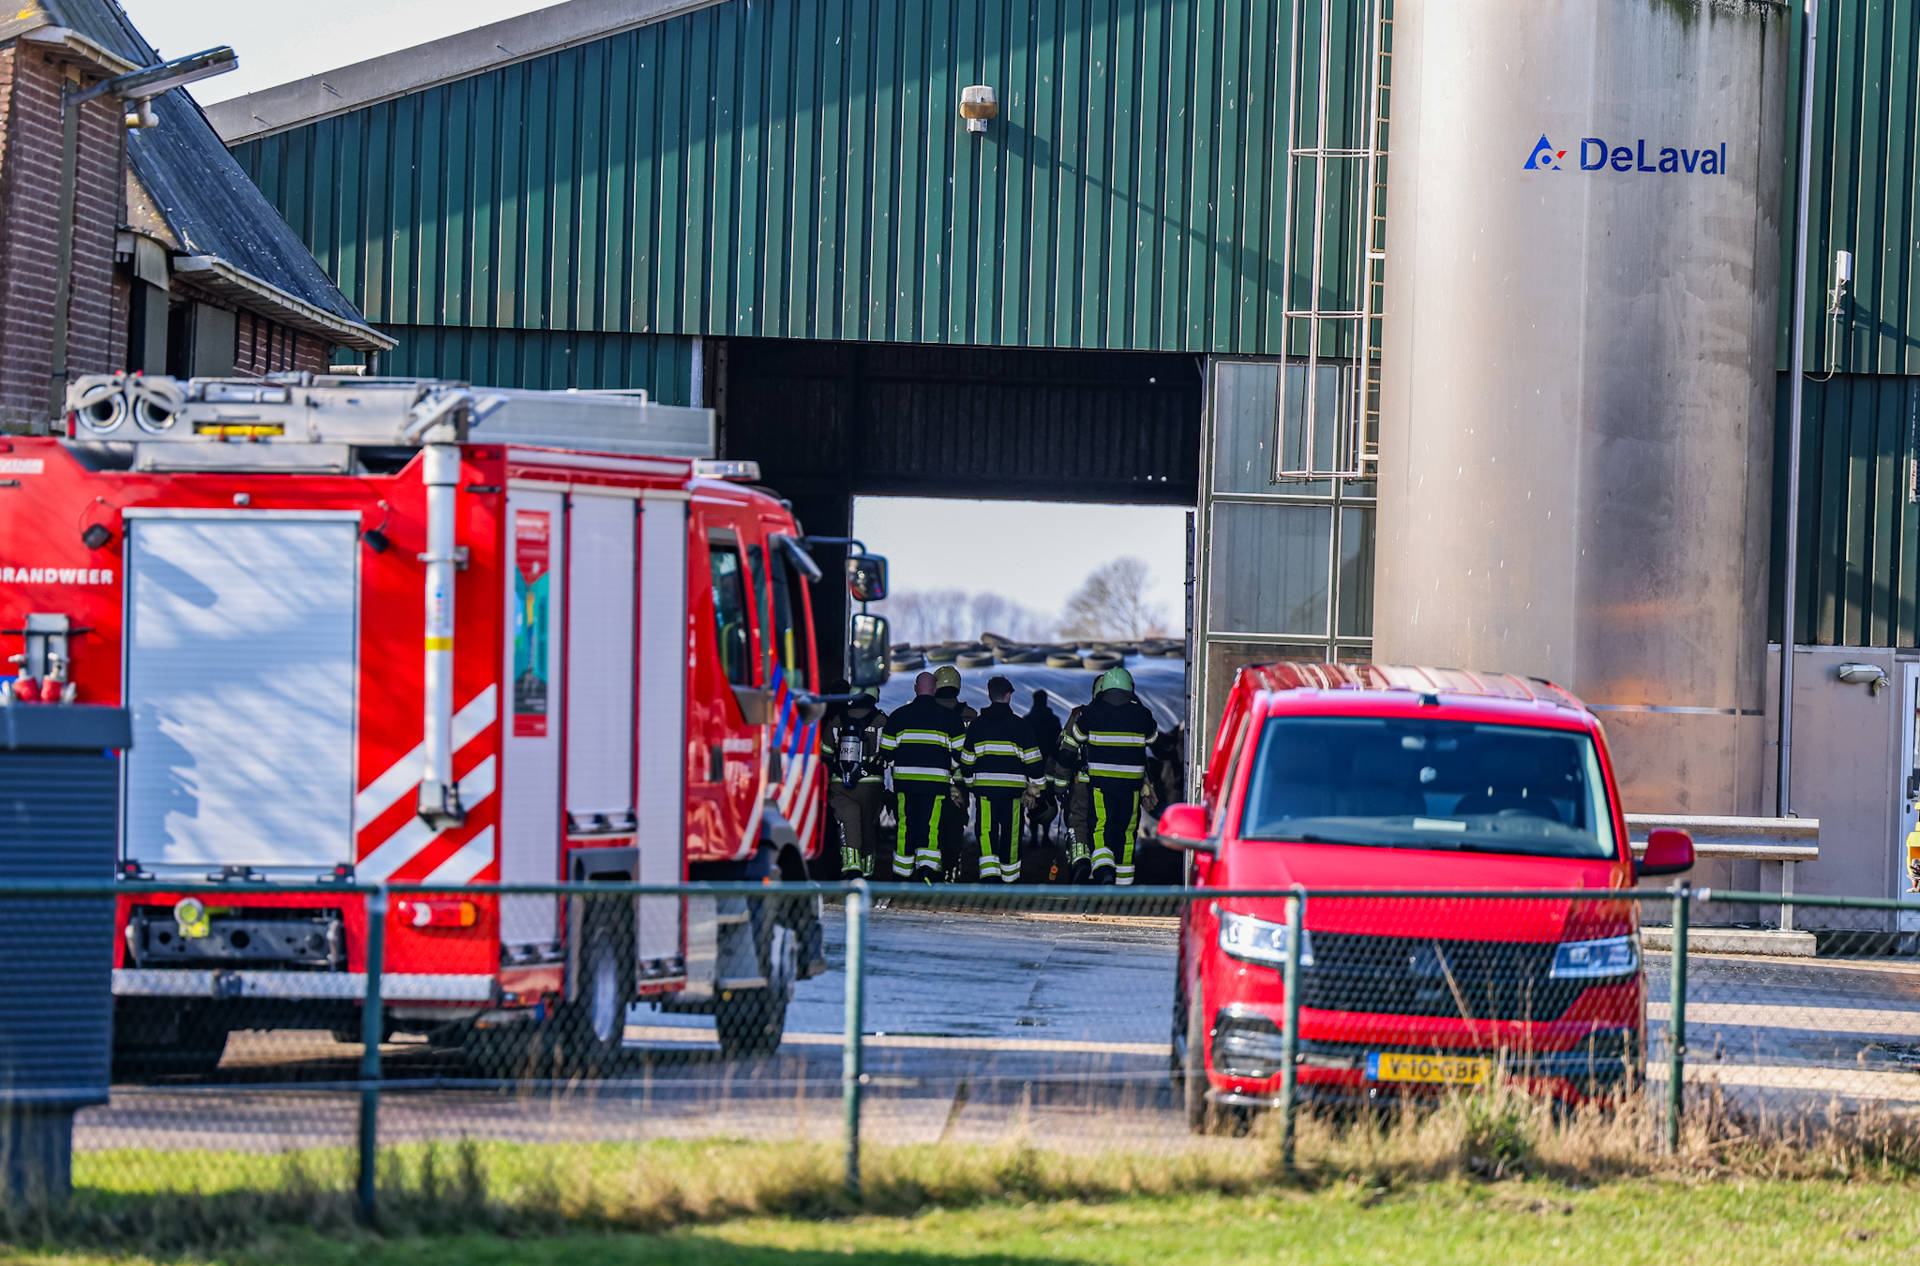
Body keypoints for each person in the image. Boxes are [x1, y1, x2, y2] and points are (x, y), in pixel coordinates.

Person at [1058, 666, 1159, 885]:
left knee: (1100, 827)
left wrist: (1058, 785)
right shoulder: (1141, 713)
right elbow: (1153, 740)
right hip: (1131, 787)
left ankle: (1104, 872)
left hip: (1100, 786)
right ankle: (1123, 884)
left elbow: (1073, 740)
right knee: (1127, 831)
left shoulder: (1090, 713)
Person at [879, 668, 967, 882]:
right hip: (936, 786)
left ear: (915, 689)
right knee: (930, 828)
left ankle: (901, 875)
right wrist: (955, 780)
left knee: (905, 828)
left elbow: (886, 753)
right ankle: (927, 872)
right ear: (935, 689)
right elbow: (960, 754)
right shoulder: (949, 718)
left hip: (905, 786)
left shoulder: (898, 716)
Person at [961, 675, 1044, 884]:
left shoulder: (976, 726)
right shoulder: (1021, 726)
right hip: (1013, 794)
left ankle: (989, 878)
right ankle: (1009, 881)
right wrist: (1036, 791)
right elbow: (1035, 763)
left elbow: (966, 763)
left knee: (986, 832)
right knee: (1011, 835)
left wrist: (972, 785)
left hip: (985, 792)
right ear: (1009, 696)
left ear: (990, 695)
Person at [824, 682, 887, 879]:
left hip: (841, 781)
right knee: (869, 825)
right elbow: (890, 752)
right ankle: (867, 871)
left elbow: (825, 752)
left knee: (848, 820)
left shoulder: (837, 719)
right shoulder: (881, 721)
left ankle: (851, 866)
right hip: (871, 784)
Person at [1048, 679, 1102, 882]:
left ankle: (1080, 862)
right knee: (1103, 826)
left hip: (1080, 783)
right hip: (1108, 786)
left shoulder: (1079, 714)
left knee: (1078, 823)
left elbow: (1065, 752)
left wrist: (1060, 787)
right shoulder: (1124, 716)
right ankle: (1101, 868)